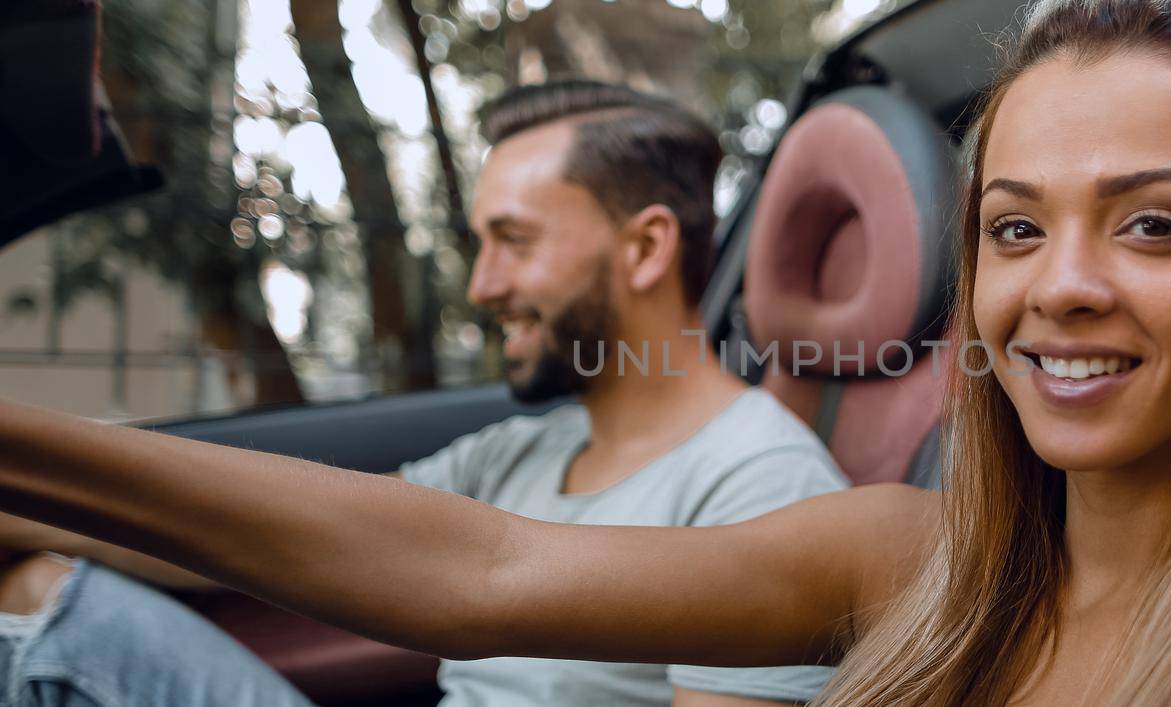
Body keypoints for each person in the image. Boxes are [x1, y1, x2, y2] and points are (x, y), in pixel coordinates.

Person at [0, 1, 1171, 704]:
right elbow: (480, 574)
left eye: (1151, 227)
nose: (1060, 287)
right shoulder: (908, 557)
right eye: (1012, 228)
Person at [0, 81, 846, 707]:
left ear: (647, 247)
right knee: (39, 588)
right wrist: (39, 504)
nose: (481, 285)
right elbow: (301, 537)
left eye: (513, 241)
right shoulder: (522, 447)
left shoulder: (763, 482)